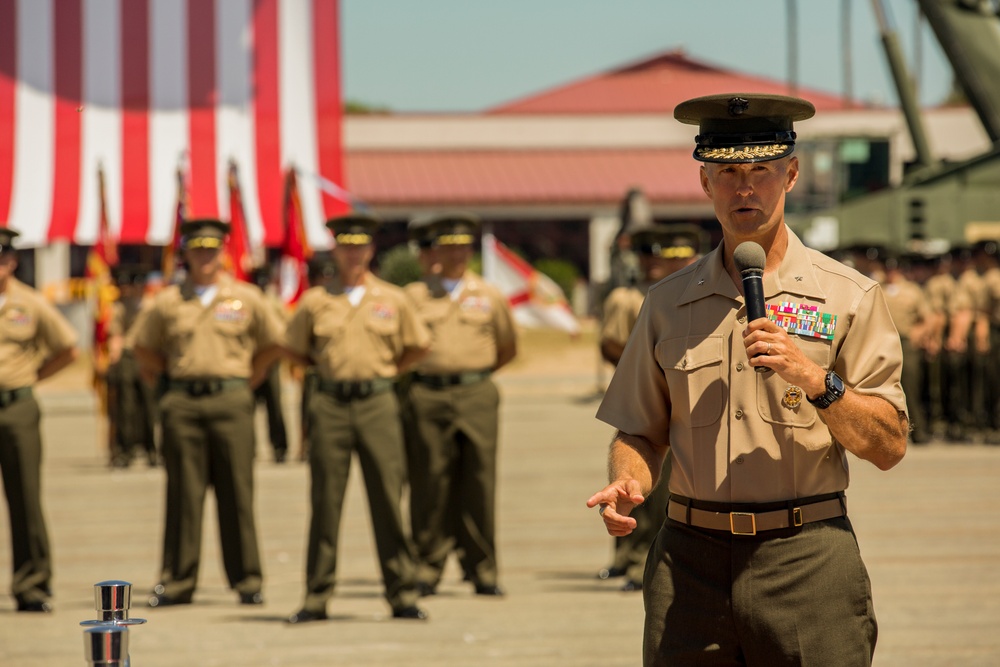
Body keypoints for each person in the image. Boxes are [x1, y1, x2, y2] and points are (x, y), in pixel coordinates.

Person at [586, 94, 909, 666]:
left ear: (791, 174)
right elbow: (640, 431)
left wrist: (815, 380)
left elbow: (887, 445)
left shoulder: (849, 297)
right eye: (728, 172)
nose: (745, 189)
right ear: (704, 181)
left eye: (761, 170)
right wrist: (627, 481)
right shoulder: (666, 304)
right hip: (689, 563)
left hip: (806, 560)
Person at [284, 212, 431, 623]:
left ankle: (402, 593)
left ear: (371, 249)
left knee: (387, 498)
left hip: (378, 403)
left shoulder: (392, 299)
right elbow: (293, 348)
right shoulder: (315, 301)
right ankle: (316, 596)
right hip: (330, 404)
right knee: (325, 502)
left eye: (361, 246)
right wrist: (319, 368)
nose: (353, 253)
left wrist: (386, 372)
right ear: (335, 248)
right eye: (346, 246)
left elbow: (417, 346)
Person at [132, 218, 284, 607]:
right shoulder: (168, 301)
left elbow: (274, 341)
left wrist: (250, 374)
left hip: (231, 399)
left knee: (238, 491)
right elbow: (143, 346)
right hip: (182, 402)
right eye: (197, 250)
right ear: (185, 253)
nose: (205, 257)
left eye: (212, 250)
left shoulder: (247, 297)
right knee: (183, 494)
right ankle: (178, 580)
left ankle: (248, 580)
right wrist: (169, 376)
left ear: (223, 253)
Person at [405, 213, 518, 597]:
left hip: (475, 394)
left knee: (479, 483)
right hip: (427, 395)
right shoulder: (414, 296)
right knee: (428, 483)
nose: (455, 254)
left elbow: (507, 347)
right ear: (435, 250)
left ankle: (482, 568)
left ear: (470, 250)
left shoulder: (489, 294)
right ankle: (427, 566)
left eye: (461, 247)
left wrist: (473, 374)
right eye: (447, 246)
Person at [597, 225, 701, 591]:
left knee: (672, 490)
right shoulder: (630, 298)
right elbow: (609, 345)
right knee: (636, 482)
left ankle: (651, 558)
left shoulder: (696, 294)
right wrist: (641, 371)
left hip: (687, 400)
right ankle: (632, 559)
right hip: (648, 395)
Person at [0, 226, 79, 613]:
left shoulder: (29, 303)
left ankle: (32, 584)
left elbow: (68, 347)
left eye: (1, 258)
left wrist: (33, 378)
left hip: (16, 407)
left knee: (25, 496)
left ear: (11, 262)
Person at [106, 263, 158, 467]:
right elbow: (116, 334)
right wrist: (113, 359)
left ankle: (151, 449)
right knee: (126, 407)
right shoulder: (121, 306)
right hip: (128, 357)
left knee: (150, 406)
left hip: (148, 356)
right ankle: (125, 450)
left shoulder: (153, 305)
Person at [249, 266, 290, 463]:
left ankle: (280, 446)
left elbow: (283, 332)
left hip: (271, 362)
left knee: (275, 407)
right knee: (245, 408)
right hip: (250, 362)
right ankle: (248, 447)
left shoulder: (275, 303)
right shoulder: (247, 300)